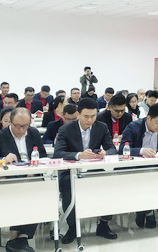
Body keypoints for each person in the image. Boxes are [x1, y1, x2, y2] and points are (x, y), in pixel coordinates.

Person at [54, 98, 117, 243]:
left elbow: (112, 148)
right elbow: (58, 153)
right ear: (78, 114)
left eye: (93, 116)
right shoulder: (65, 129)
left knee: (109, 181)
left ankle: (103, 224)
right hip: (70, 172)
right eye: (86, 116)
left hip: (93, 169)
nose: (90, 120)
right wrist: (79, 155)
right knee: (68, 185)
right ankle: (72, 227)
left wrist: (105, 153)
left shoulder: (102, 127)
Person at [0, 108, 47, 252]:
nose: (21, 129)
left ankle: (19, 238)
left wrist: (36, 165)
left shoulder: (33, 133)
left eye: (25, 126)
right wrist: (3, 159)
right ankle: (18, 239)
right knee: (20, 197)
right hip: (10, 181)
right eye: (17, 125)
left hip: (32, 178)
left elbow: (43, 155)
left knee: (40, 195)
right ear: (10, 122)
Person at [119, 104, 158, 228]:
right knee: (144, 180)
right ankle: (147, 211)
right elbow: (122, 150)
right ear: (148, 118)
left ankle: (145, 210)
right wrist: (142, 151)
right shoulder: (133, 127)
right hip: (136, 167)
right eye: (157, 122)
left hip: (157, 166)